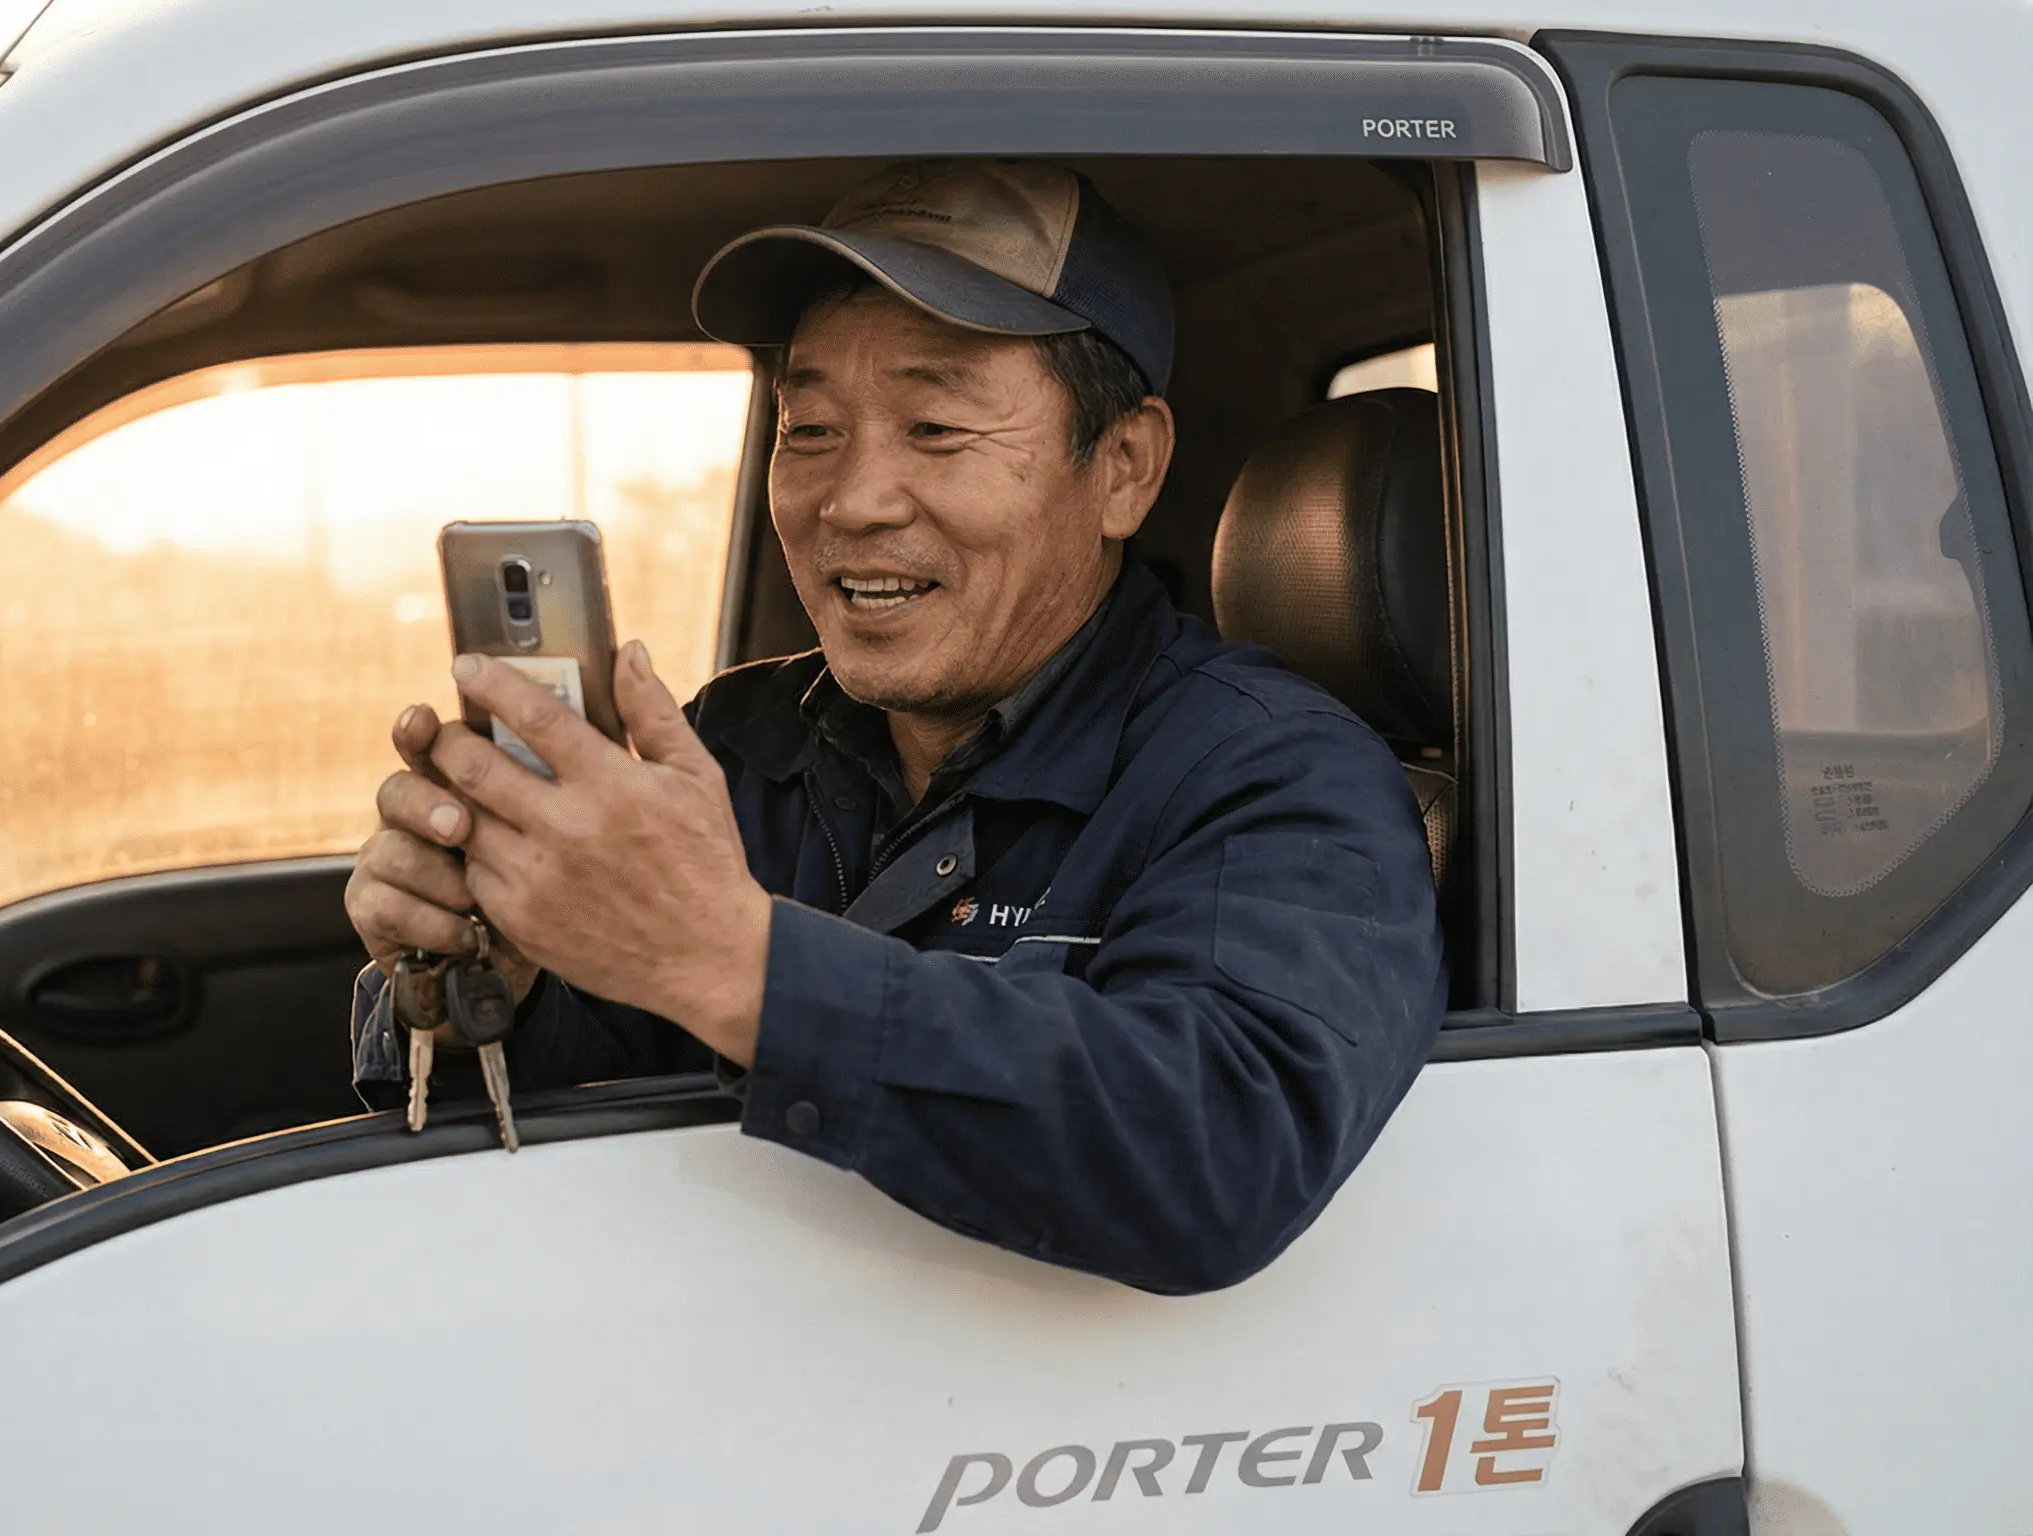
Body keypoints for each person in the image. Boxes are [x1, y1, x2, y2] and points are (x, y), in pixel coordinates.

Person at [344, 159, 1443, 1293]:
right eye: (810, 428)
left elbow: (1217, 1151)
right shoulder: (732, 744)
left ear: (1122, 469)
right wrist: (495, 976)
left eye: (934, 425)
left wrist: (732, 961)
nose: (853, 500)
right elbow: (590, 1108)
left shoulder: (1276, 774)